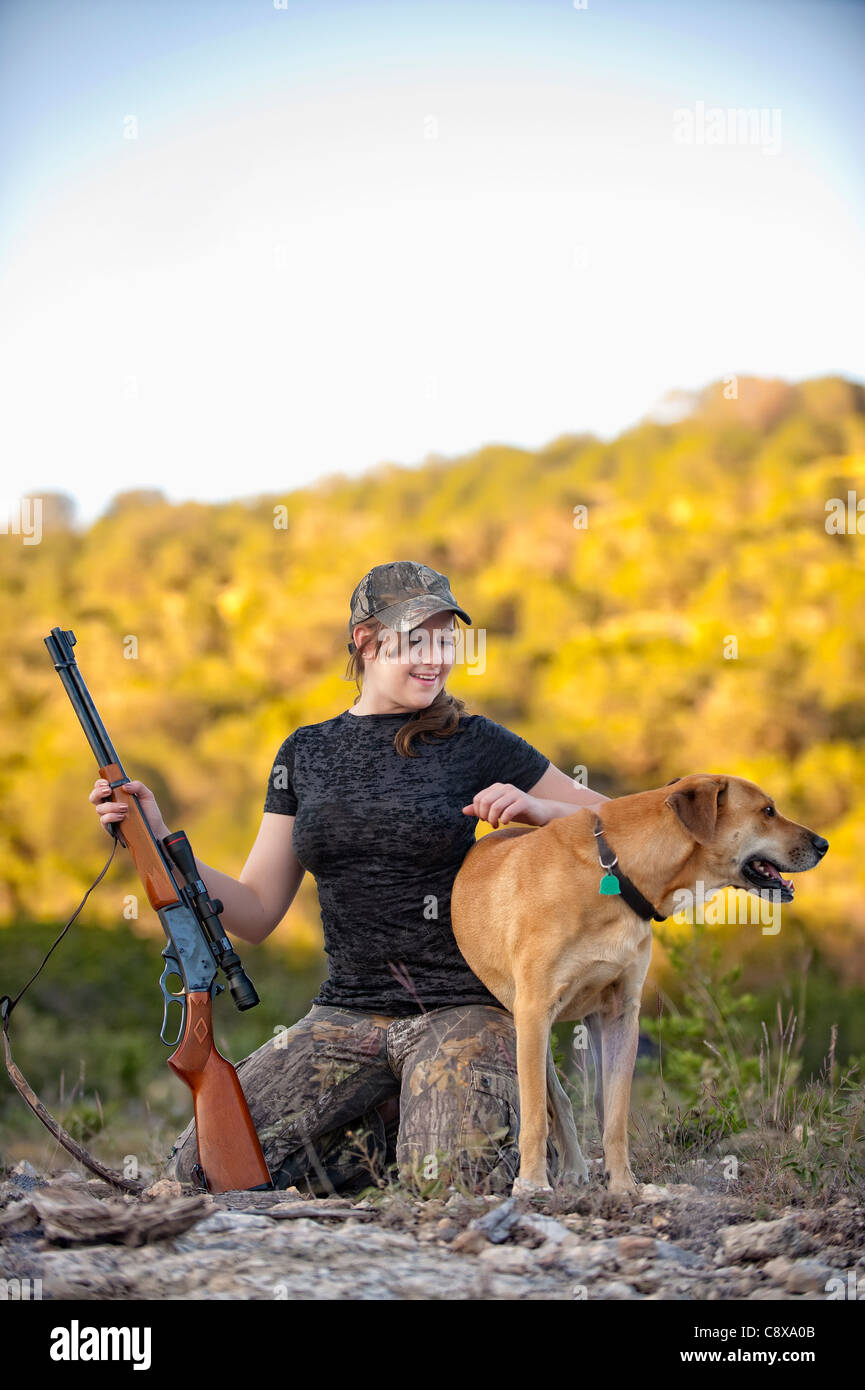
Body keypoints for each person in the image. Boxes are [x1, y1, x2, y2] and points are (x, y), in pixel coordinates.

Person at [89, 561, 609, 1198]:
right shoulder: (304, 753)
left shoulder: (478, 743)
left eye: (446, 639)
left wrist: (541, 811)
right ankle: (388, 1130)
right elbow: (253, 911)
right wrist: (158, 837)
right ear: (366, 641)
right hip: (346, 1014)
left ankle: (450, 1130)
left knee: (452, 1193)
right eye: (415, 640)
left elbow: (617, 823)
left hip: (464, 1007)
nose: (436, 658)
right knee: (201, 1173)